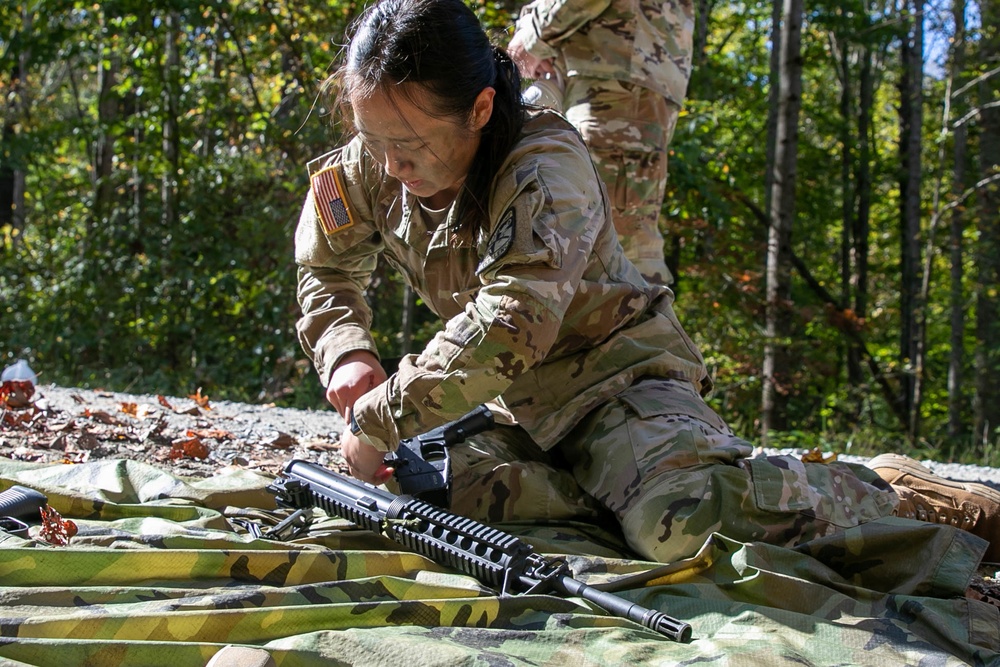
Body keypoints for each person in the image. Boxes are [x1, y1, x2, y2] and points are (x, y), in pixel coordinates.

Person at [294, 0, 999, 566]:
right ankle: (616, 490)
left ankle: (902, 495)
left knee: (682, 523)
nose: (388, 168)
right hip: (514, 407)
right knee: (424, 494)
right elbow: (324, 264)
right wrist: (347, 350)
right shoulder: (373, 158)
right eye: (373, 141)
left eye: (409, 147)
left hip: (616, 385)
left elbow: (510, 323)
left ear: (479, 110)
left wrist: (383, 414)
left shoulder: (545, 167)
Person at [507, 0, 693, 285]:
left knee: (608, 254)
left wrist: (534, 36)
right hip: (609, 70)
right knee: (591, 245)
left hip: (615, 76)